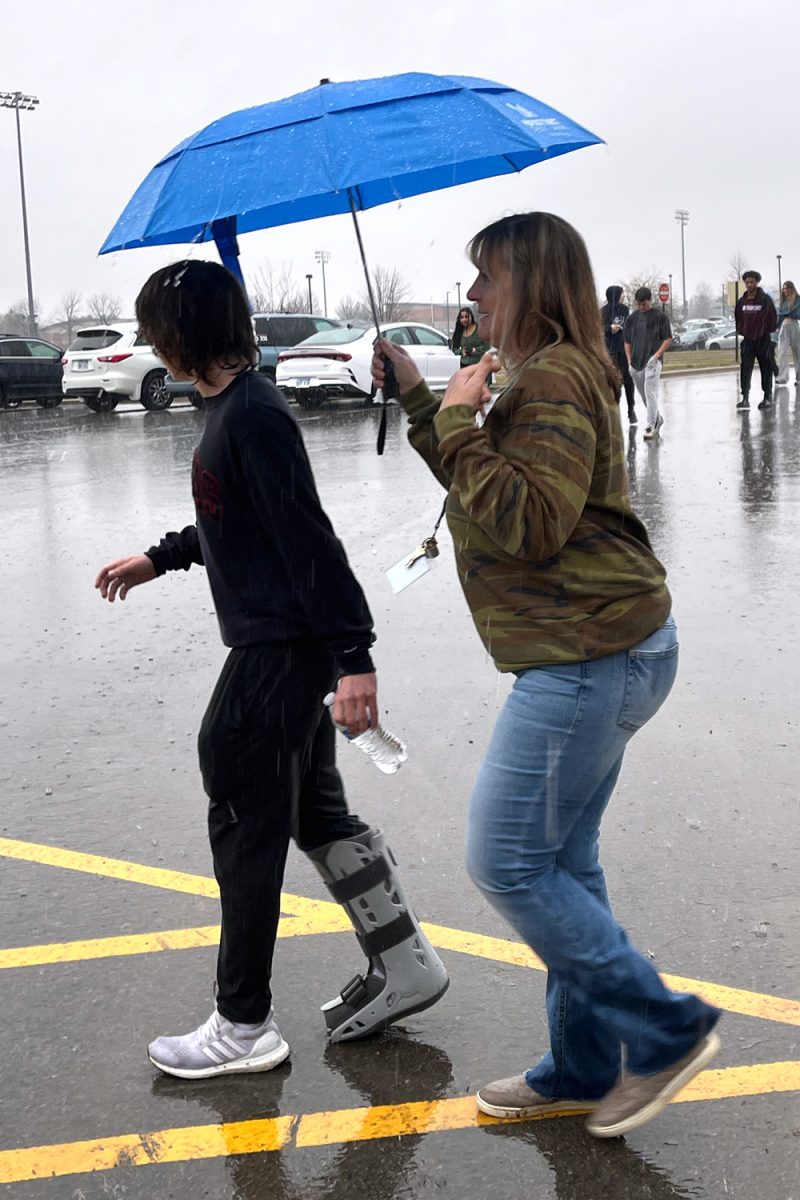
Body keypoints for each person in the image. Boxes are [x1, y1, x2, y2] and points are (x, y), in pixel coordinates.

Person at [372, 211, 720, 1140]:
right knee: (563, 862)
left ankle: (663, 1027)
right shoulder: (532, 375)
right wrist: (421, 401)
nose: (473, 294)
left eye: (486, 277)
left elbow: (528, 522)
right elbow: (477, 484)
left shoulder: (559, 375)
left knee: (505, 859)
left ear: (528, 282)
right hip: (599, 647)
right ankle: (577, 1066)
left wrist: (454, 419)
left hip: (589, 654)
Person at [94, 260, 448, 1080]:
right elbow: (235, 518)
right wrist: (164, 557)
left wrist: (353, 658)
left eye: (155, 328)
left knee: (243, 816)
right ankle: (406, 964)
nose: (148, 340)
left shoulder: (252, 414)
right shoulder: (230, 406)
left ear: (184, 335)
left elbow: (308, 539)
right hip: (286, 647)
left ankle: (242, 1023)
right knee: (315, 814)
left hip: (280, 651)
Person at [623, 288, 672, 439]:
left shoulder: (660, 317)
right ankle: (658, 418)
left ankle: (651, 425)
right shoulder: (631, 319)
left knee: (650, 393)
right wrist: (629, 361)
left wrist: (657, 355)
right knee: (644, 395)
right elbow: (627, 341)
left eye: (644, 304)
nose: (642, 307)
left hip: (653, 360)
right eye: (639, 304)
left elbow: (668, 338)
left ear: (650, 300)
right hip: (636, 363)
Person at [734, 270, 778, 409]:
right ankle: (745, 398)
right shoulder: (742, 301)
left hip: (763, 340)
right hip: (748, 341)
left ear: (756, 282)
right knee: (745, 369)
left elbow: (773, 317)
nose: (749, 285)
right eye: (747, 282)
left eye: (751, 282)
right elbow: (738, 318)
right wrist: (743, 331)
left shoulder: (765, 300)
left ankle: (767, 397)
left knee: (766, 368)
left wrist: (765, 331)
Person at [600, 285, 637, 425]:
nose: (624, 296)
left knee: (628, 381)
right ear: (615, 295)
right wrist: (610, 329)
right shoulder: (603, 312)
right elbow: (597, 330)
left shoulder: (625, 310)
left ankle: (631, 409)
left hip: (624, 350)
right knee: (612, 382)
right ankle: (612, 411)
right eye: (622, 293)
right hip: (609, 352)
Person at [776, 279, 800, 384]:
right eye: (784, 288)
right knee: (782, 352)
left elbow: (796, 313)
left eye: (786, 288)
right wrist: (777, 326)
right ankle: (783, 377)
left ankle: (799, 377)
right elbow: (781, 315)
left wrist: (788, 314)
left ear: (791, 288)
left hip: (794, 324)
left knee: (797, 351)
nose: (785, 290)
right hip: (784, 325)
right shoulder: (784, 301)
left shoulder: (797, 299)